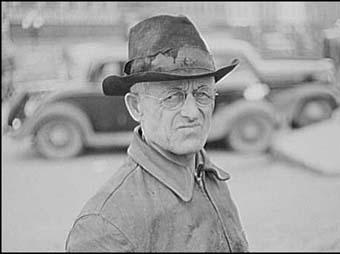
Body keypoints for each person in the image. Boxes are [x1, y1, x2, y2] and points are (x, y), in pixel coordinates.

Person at [65, 14, 249, 252]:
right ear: (136, 107)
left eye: (203, 94)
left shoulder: (206, 174)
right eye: (173, 97)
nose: (193, 112)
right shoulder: (104, 226)